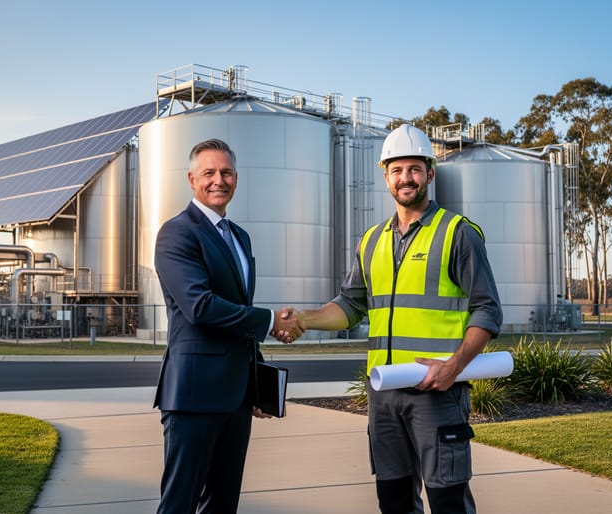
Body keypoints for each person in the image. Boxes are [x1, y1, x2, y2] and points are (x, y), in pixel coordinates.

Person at [293, 124, 502, 513]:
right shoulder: (371, 241)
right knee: (392, 502)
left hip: (438, 394)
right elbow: (350, 305)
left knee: (448, 502)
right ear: (385, 175)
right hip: (384, 396)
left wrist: (454, 367)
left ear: (430, 174)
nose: (406, 178)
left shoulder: (457, 234)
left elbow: (488, 309)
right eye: (397, 169)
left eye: (415, 169)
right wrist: (304, 320)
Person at [152, 138, 303, 514]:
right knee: (179, 504)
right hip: (194, 395)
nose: (218, 180)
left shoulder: (240, 236)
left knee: (222, 503)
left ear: (236, 178)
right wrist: (270, 320)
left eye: (226, 172)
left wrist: (258, 383)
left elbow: (239, 313)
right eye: (209, 173)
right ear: (191, 179)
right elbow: (200, 307)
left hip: (236, 397)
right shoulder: (176, 232)